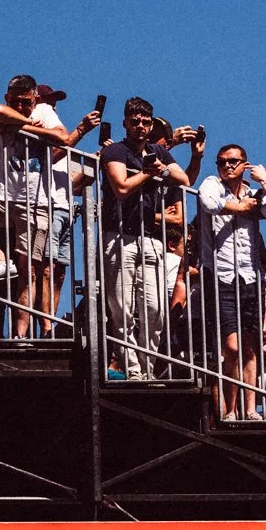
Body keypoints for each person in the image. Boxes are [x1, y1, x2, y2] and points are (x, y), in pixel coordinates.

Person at [0, 77, 100, 338]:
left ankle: (28, 332)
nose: (21, 106)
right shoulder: (9, 113)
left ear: (34, 99)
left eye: (26, 102)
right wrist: (27, 125)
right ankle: (0, 260)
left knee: (37, 272)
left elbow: (62, 140)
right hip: (4, 199)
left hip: (37, 203)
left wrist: (76, 130)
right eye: (16, 101)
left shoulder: (44, 112)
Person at [101, 98, 191, 380]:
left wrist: (161, 169)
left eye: (145, 122)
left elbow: (184, 179)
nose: (140, 126)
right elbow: (121, 187)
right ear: (126, 123)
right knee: (122, 308)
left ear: (150, 125)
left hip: (151, 239)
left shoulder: (157, 151)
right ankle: (133, 369)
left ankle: (148, 367)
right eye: (135, 121)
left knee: (155, 309)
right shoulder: (116, 150)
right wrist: (146, 174)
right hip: (119, 236)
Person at [195, 142, 266, 418]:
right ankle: (231, 410)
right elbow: (208, 203)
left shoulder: (255, 192)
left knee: (250, 347)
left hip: (249, 275)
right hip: (221, 275)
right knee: (231, 346)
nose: (227, 166)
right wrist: (241, 208)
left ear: (245, 164)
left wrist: (265, 181)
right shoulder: (212, 184)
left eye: (233, 161)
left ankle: (251, 409)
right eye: (222, 162)